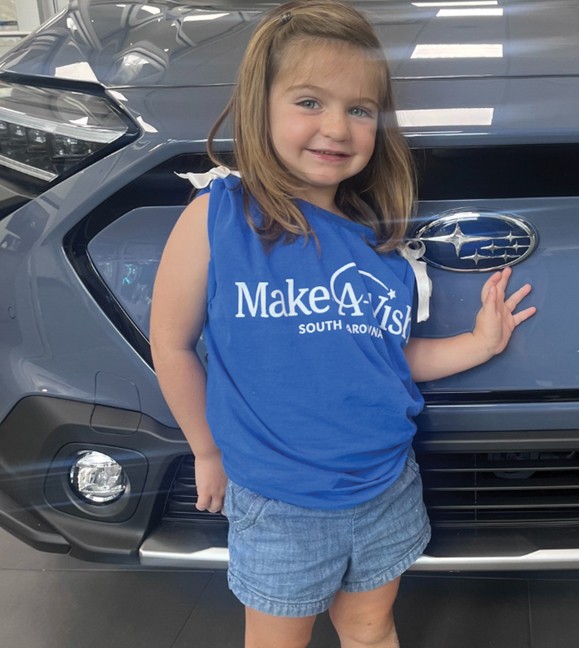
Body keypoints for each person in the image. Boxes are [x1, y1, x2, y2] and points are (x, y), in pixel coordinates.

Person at [149, 2, 536, 647]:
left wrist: (478, 342)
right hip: (279, 503)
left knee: (370, 627)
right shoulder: (219, 216)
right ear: (259, 106)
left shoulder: (378, 252)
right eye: (309, 101)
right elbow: (172, 342)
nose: (337, 126)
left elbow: (386, 359)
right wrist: (207, 449)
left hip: (386, 485)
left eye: (359, 109)